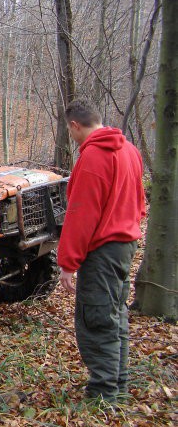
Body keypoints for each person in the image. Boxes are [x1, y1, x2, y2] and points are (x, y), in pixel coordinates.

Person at [58, 99, 145, 404]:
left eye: (71, 132)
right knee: (115, 314)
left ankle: (105, 392)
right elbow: (139, 201)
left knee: (97, 318)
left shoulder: (94, 157)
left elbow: (81, 214)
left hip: (103, 250)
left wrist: (68, 262)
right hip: (125, 245)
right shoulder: (130, 151)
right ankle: (117, 384)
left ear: (75, 125)